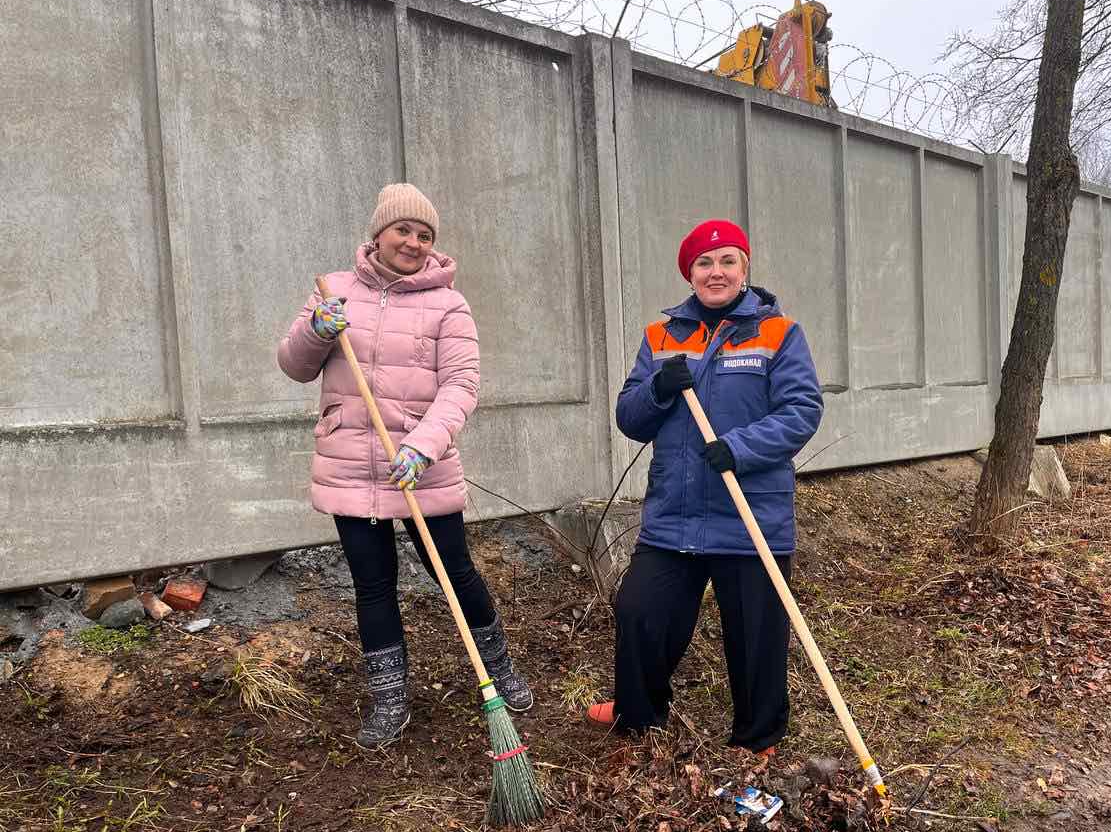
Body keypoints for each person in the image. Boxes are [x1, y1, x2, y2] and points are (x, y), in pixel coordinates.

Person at [277, 183, 532, 748]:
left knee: (455, 573)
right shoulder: (334, 291)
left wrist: (425, 444)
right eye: (403, 230)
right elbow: (295, 366)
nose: (414, 243)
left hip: (422, 463)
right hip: (351, 464)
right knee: (374, 585)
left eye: (425, 235)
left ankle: (499, 669)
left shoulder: (448, 303)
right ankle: (390, 698)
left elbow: (462, 384)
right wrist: (316, 330)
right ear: (378, 233)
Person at [586, 219, 823, 755]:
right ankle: (637, 713)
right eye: (704, 263)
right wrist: (659, 389)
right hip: (677, 512)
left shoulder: (778, 333)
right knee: (640, 611)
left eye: (727, 261)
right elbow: (630, 417)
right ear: (689, 273)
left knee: (755, 633)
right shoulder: (661, 337)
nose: (716, 272)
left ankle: (758, 736)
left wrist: (740, 449)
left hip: (750, 515)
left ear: (745, 269)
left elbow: (802, 410)